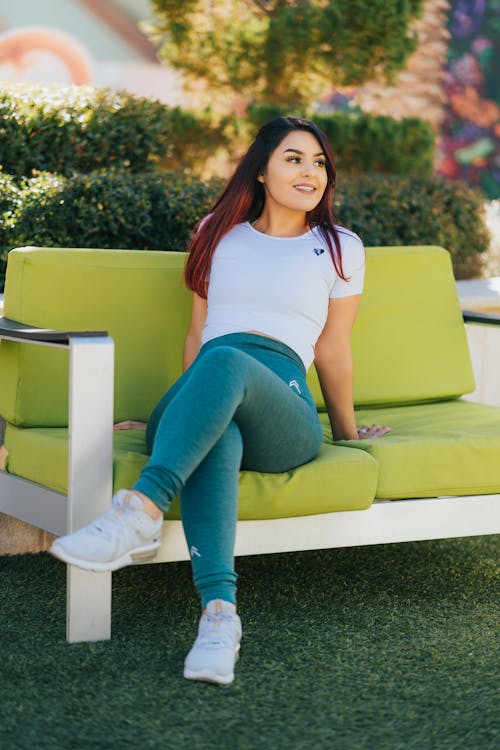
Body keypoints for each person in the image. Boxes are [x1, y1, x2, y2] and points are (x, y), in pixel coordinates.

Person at [50, 116, 391, 685]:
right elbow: (197, 333)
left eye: (319, 162)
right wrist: (188, 406)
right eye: (294, 158)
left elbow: (332, 350)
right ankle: (219, 619)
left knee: (228, 360)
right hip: (210, 388)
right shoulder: (217, 232)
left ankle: (139, 511)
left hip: (282, 408)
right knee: (217, 421)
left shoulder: (340, 248)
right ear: (260, 170)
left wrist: (349, 434)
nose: (311, 172)